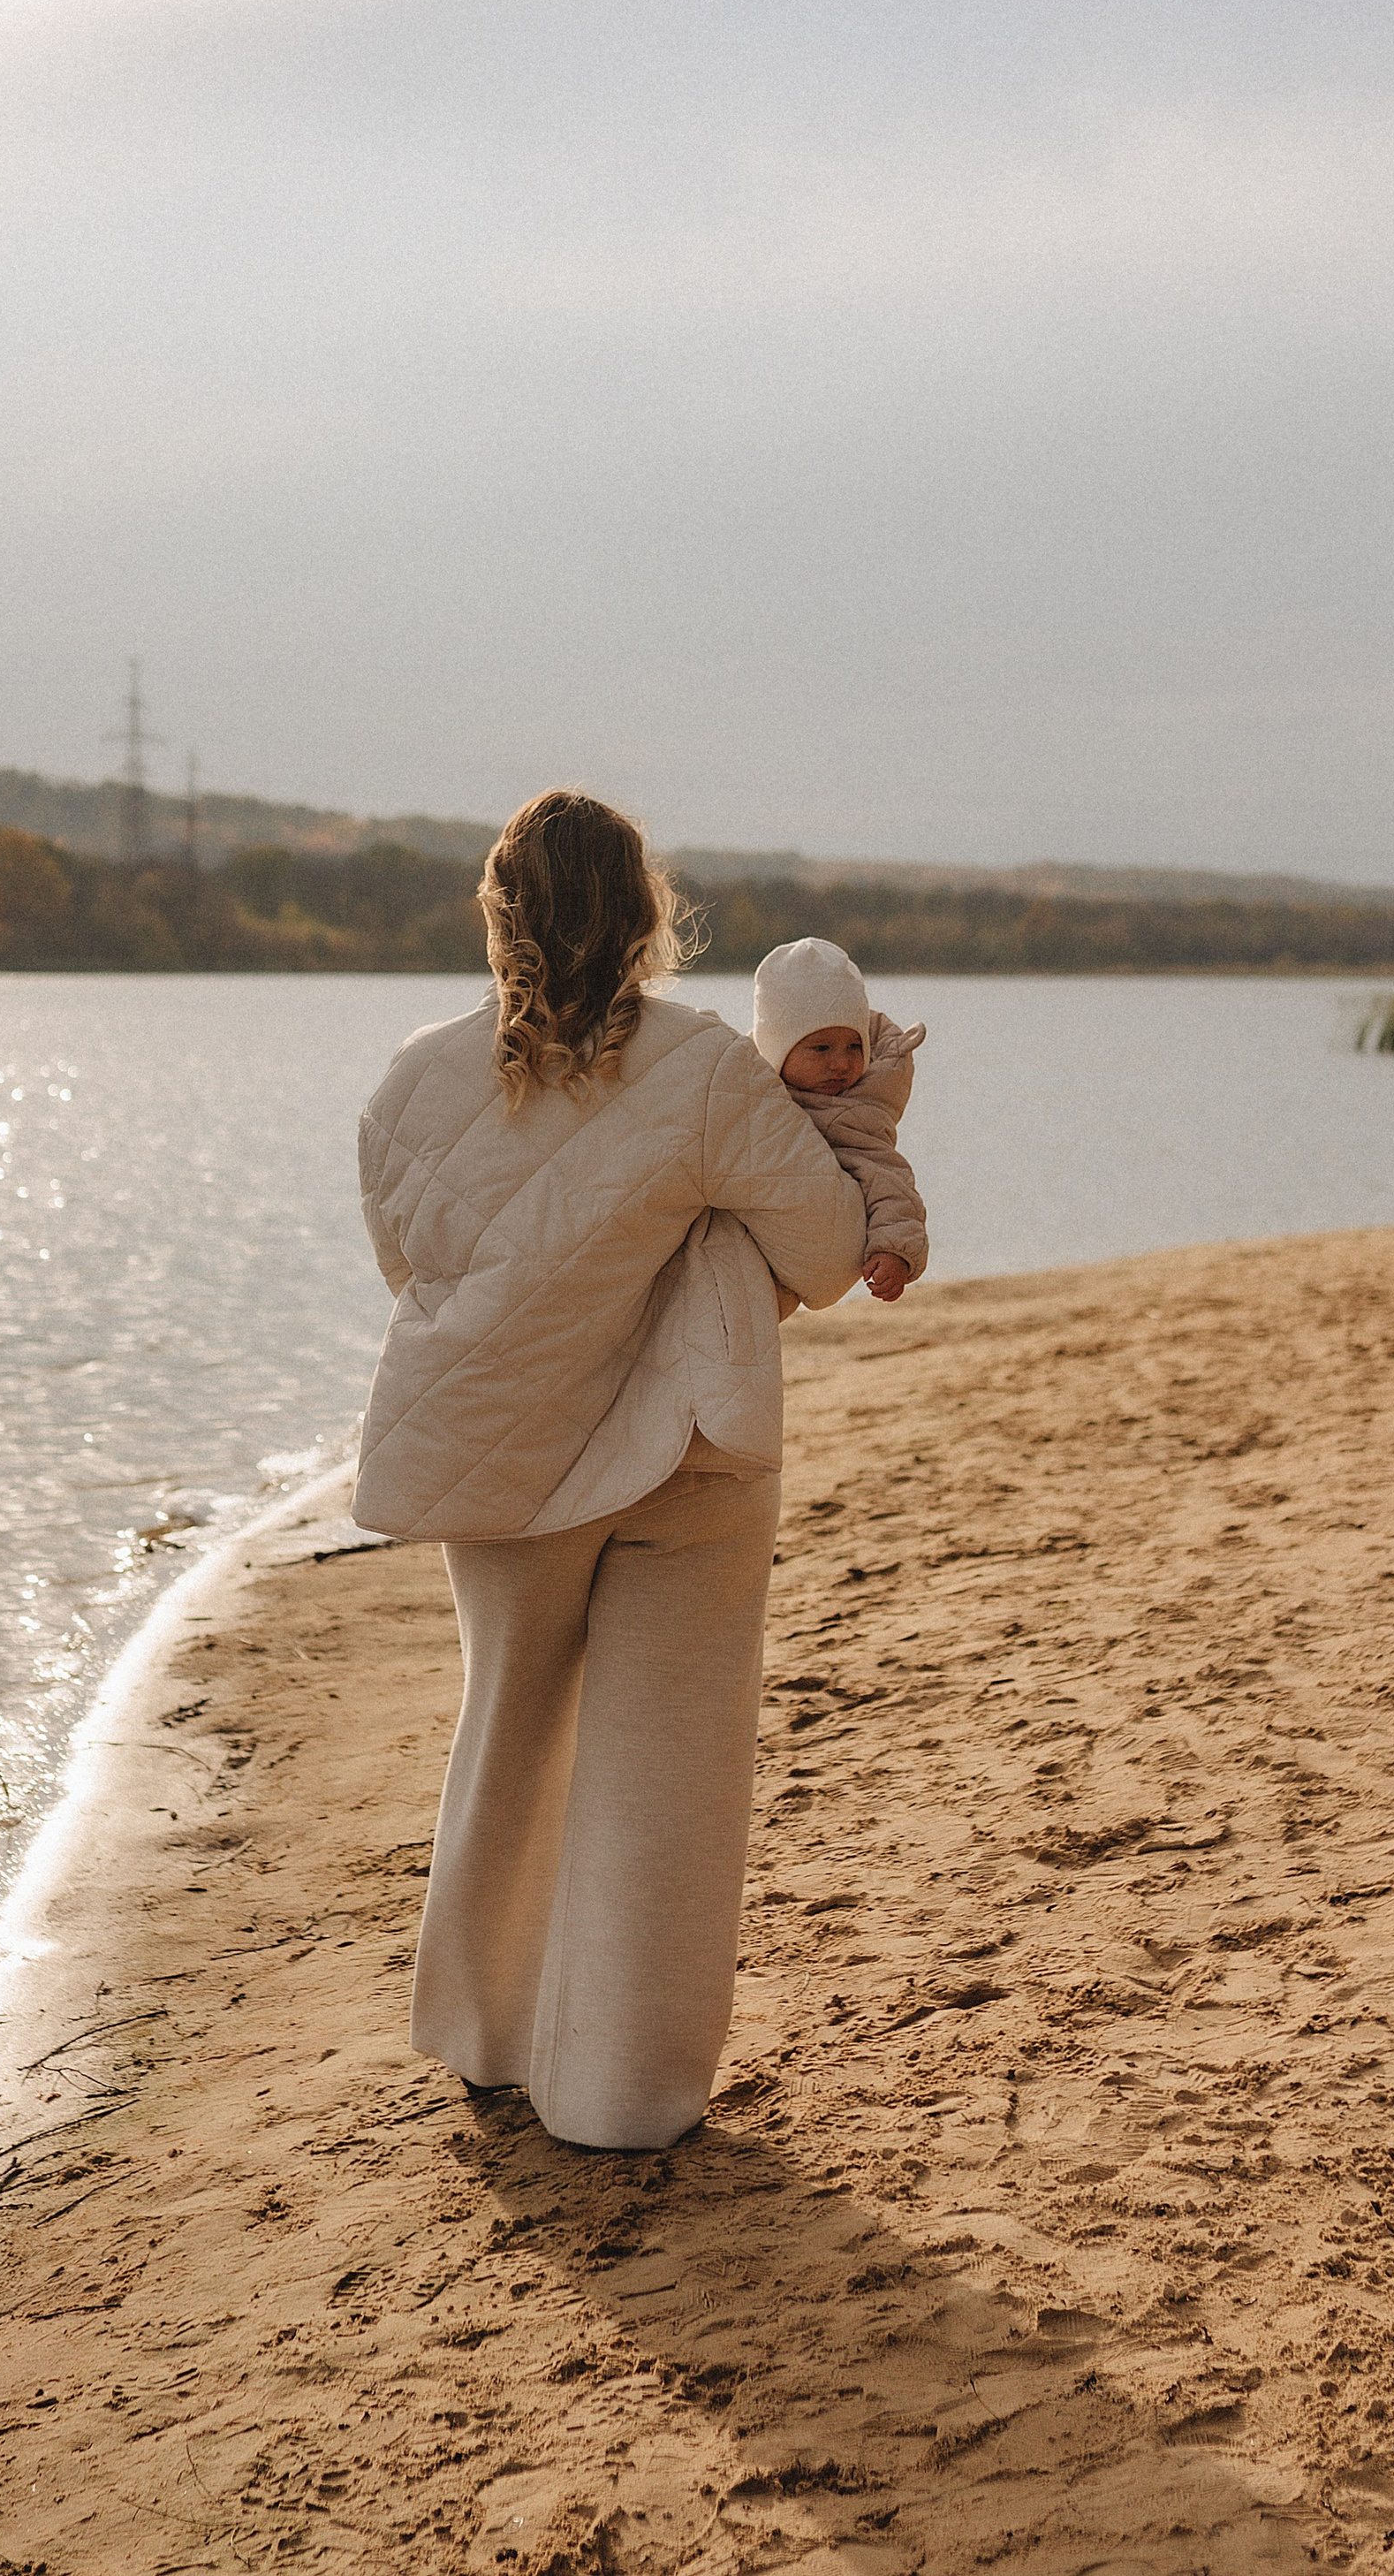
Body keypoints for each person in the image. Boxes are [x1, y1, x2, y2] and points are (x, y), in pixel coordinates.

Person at [350, 789, 873, 2150]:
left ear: (497, 918)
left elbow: (413, 1268)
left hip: (504, 1453)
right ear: (647, 918)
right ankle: (626, 2095)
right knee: (667, 1765)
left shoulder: (412, 1079)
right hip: (684, 1459)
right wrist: (705, 1236)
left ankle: (489, 2036)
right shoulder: (705, 1067)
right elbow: (826, 1251)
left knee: (511, 1724)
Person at [752, 934, 929, 1304]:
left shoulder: (856, 1115)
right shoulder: (746, 1090)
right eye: (820, 1048)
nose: (841, 1063)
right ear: (776, 1051)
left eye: (854, 1046)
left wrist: (894, 1253)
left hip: (799, 1266)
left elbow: (890, 1185)